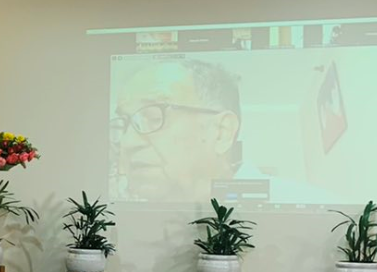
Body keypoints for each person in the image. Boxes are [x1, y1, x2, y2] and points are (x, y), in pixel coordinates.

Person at [112, 58, 338, 203]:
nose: (128, 143)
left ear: (221, 132)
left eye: (153, 117)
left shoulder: (313, 207)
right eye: (124, 124)